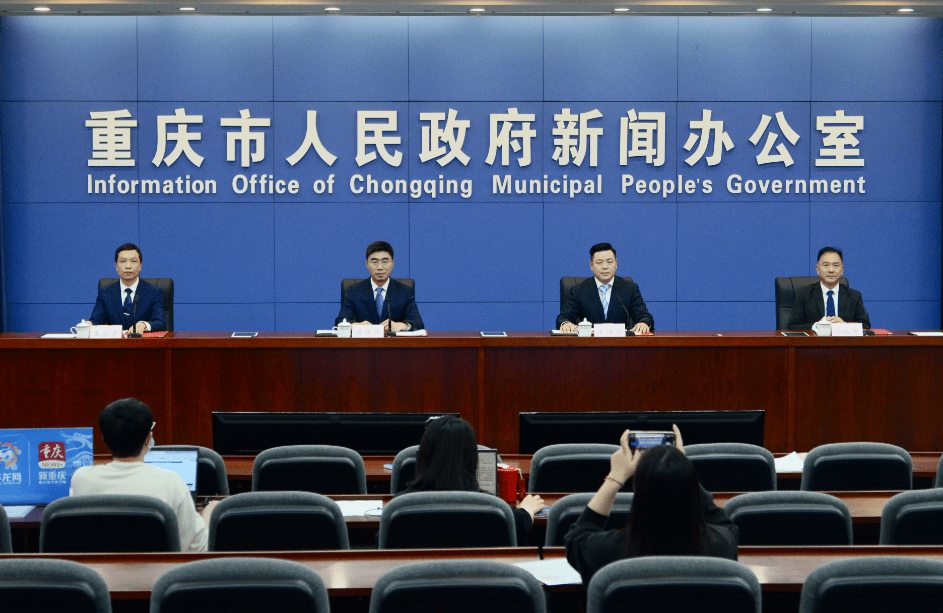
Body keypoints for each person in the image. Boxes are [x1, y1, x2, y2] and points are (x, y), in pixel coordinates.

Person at [564, 426, 738, 585]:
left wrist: (615, 477)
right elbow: (726, 526)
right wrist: (680, 470)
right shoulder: (721, 546)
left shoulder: (609, 552)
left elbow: (576, 537)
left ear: (638, 493)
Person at [69, 398, 216, 552]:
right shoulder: (171, 481)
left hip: (99, 568)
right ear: (148, 439)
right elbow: (195, 548)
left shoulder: (81, 479)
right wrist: (209, 516)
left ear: (104, 438)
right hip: (158, 568)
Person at [397, 415, 544, 545]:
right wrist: (527, 508)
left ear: (422, 456)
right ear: (472, 459)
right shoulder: (491, 507)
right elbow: (520, 525)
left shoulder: (399, 505)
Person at [557, 242, 654, 334]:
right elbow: (564, 317)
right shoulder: (579, 290)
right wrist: (566, 323)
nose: (605, 267)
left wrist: (644, 323)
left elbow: (645, 316)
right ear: (591, 265)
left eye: (609, 262)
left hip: (621, 343)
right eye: (599, 262)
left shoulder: (629, 288)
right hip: (589, 343)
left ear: (616, 263)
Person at [335, 240, 424, 331]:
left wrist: (401, 326)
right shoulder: (354, 291)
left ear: (392, 264)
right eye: (374, 262)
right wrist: (356, 326)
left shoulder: (405, 291)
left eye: (385, 261)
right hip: (364, 340)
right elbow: (340, 322)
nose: (380, 267)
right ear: (367, 264)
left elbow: (418, 323)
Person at [89, 243, 166, 333]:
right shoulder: (105, 293)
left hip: (141, 341)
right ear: (116, 266)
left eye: (133, 261)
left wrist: (144, 325)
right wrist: (87, 325)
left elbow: (160, 323)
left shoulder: (153, 292)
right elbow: (95, 321)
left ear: (140, 266)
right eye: (123, 261)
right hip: (115, 341)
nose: (128, 266)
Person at [788, 247, 870, 330]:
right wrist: (816, 326)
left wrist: (845, 325)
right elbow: (792, 326)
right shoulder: (804, 294)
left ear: (842, 270)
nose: (831, 270)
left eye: (835, 265)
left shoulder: (854, 296)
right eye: (826, 265)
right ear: (818, 269)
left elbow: (865, 326)